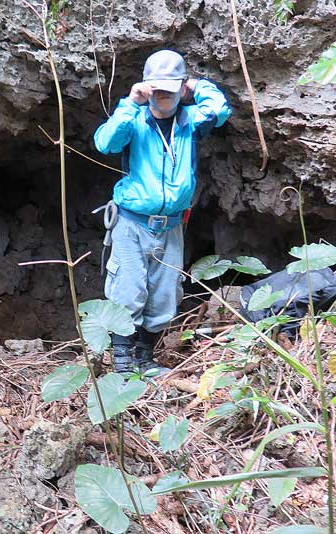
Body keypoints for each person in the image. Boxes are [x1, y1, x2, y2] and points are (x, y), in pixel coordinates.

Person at [94, 50, 232, 375]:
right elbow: (105, 142)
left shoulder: (189, 122)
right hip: (132, 223)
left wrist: (194, 86)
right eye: (158, 90)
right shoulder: (135, 122)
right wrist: (131, 102)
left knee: (164, 294)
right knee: (128, 290)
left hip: (171, 226)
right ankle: (123, 364)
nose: (163, 97)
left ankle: (144, 357)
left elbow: (221, 109)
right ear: (148, 88)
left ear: (179, 89)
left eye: (170, 91)